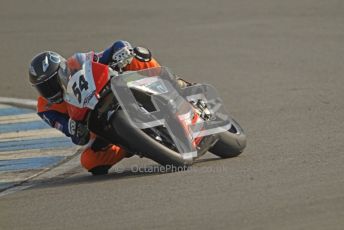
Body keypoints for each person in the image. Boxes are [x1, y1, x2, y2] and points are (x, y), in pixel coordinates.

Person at [28, 40, 161, 175]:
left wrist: (122, 50)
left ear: (62, 70)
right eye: (43, 88)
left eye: (52, 83)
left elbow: (111, 50)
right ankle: (130, 145)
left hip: (108, 89)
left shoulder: (77, 62)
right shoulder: (45, 109)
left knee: (135, 56)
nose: (50, 91)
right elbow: (73, 135)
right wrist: (74, 129)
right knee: (89, 161)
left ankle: (162, 83)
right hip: (98, 125)